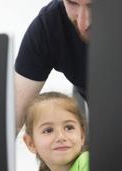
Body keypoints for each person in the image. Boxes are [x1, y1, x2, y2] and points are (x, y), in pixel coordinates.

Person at [15, 0, 91, 134]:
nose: (82, 24)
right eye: (72, 3)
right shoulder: (49, 25)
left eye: (94, 5)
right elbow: (11, 120)